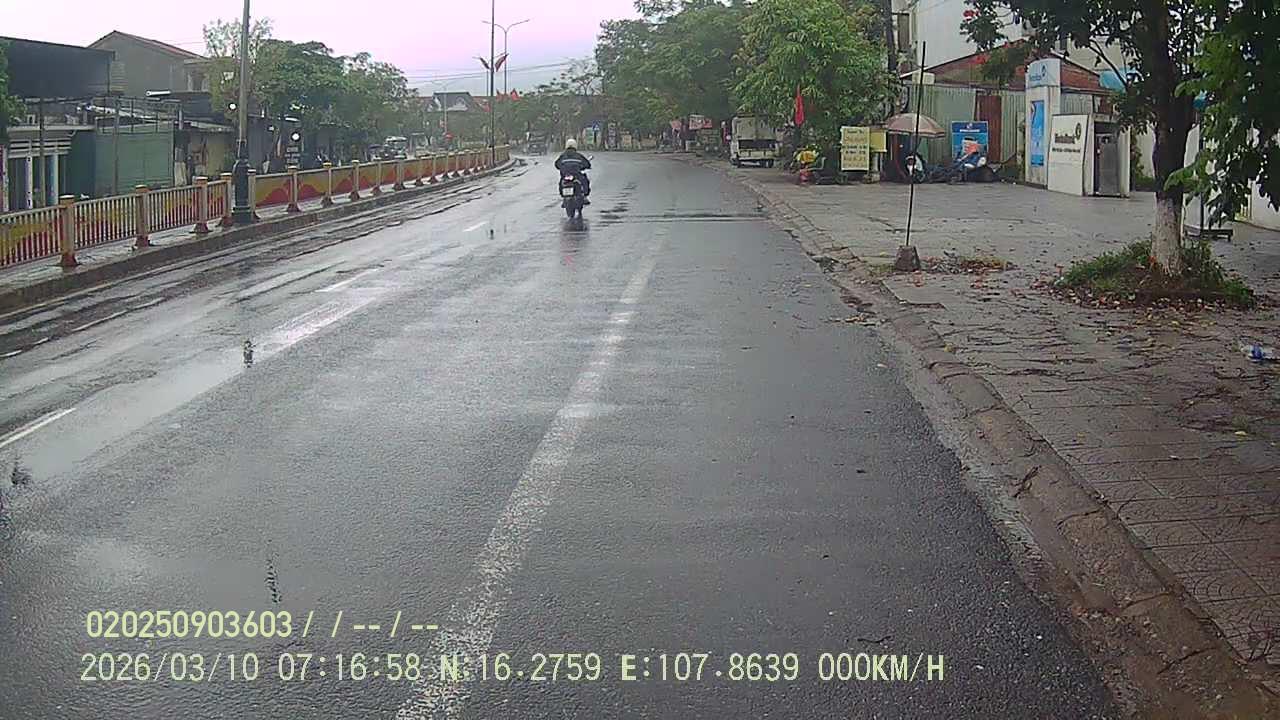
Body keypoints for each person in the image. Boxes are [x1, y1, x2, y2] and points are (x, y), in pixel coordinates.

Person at [554, 138, 591, 204]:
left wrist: (561, 167)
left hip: (565, 175)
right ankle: (585, 196)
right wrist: (585, 166)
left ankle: (564, 197)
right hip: (576, 175)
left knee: (562, 181)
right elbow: (587, 164)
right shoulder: (578, 155)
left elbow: (557, 164)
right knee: (584, 180)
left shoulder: (563, 155)